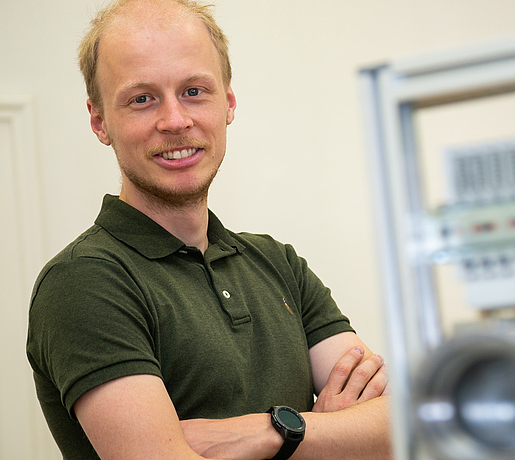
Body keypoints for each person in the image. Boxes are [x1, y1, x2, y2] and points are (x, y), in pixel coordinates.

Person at [25, 0, 392, 458]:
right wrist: (325, 434)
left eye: (194, 91)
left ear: (228, 103)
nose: (175, 121)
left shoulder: (279, 265)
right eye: (142, 99)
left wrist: (268, 433)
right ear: (100, 120)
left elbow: (399, 425)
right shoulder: (86, 281)